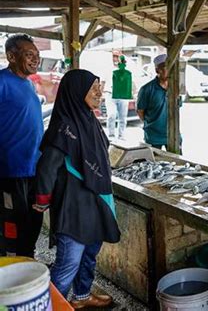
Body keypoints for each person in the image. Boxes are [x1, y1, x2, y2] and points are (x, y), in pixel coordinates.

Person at [34, 69, 120, 308]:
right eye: (93, 88)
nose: (99, 93)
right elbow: (46, 168)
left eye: (99, 87)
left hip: (95, 201)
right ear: (76, 91)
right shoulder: (64, 127)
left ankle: (81, 296)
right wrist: (42, 199)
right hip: (73, 205)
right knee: (68, 262)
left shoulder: (88, 119)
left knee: (89, 254)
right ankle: (50, 305)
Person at [0, 34, 43, 257]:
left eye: (37, 55)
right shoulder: (2, 81)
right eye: (29, 55)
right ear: (11, 56)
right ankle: (11, 267)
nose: (36, 59)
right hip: (10, 169)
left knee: (33, 217)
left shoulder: (28, 84)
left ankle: (28, 260)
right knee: (12, 222)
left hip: (32, 167)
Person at [137, 54, 181, 152]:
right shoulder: (146, 89)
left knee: (178, 163)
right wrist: (152, 123)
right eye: (166, 68)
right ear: (157, 70)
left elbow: (178, 106)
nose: (170, 71)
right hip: (154, 136)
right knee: (154, 164)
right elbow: (140, 111)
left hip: (174, 134)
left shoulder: (175, 87)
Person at [106, 54, 132, 140]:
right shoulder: (108, 68)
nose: (116, 59)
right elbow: (102, 82)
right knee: (111, 115)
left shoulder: (127, 72)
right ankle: (111, 134)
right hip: (110, 94)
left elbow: (130, 83)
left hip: (123, 96)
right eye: (114, 56)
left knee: (123, 117)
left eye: (118, 57)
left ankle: (121, 135)